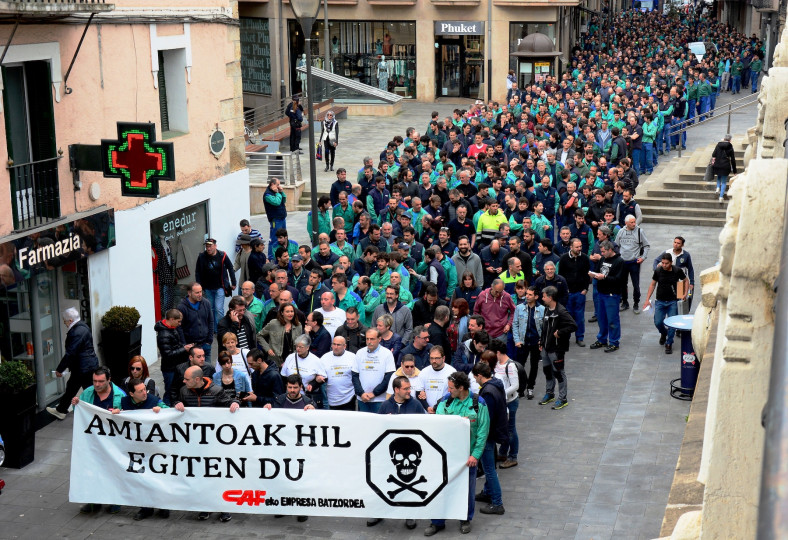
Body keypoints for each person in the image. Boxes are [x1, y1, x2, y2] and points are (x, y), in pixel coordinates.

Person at [424, 372, 489, 536]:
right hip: (444, 456)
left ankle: (465, 519)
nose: (448, 390)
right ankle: (437, 521)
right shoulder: (445, 401)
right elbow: (437, 424)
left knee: (466, 490)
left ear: (461, 388)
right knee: (439, 489)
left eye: (451, 388)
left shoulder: (478, 403)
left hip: (467, 458)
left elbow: (482, 431)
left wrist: (475, 455)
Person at [174, 365, 240, 522]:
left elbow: (230, 404)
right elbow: (177, 403)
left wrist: (235, 404)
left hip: (215, 444)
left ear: (197, 379)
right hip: (195, 443)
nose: (183, 381)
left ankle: (224, 507)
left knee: (218, 476)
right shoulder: (184, 391)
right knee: (201, 476)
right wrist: (177, 403)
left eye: (187, 379)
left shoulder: (216, 391)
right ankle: (205, 506)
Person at [370, 374, 424, 529]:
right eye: (406, 389)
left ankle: (409, 514)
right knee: (382, 483)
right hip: (390, 454)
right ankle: (379, 513)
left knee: (408, 481)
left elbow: (424, 427)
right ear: (396, 390)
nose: (409, 391)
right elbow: (377, 429)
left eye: (409, 388)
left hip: (410, 452)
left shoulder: (416, 405)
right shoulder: (385, 406)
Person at [111, 378, 169, 520]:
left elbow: (168, 412)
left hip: (154, 447)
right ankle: (146, 508)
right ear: (131, 394)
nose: (145, 393)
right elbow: (113, 412)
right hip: (135, 448)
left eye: (145, 389)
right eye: (141, 391)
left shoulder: (154, 400)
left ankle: (163, 505)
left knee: (158, 476)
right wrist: (116, 412)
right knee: (141, 477)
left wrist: (161, 410)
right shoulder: (124, 402)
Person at [73, 367, 126, 514]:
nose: (97, 384)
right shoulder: (88, 393)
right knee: (92, 470)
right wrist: (76, 403)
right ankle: (94, 500)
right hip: (93, 441)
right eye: (95, 381)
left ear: (109, 380)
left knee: (113, 470)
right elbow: (80, 414)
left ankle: (115, 501)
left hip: (113, 442)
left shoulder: (120, 395)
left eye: (101, 381)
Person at [47, 307, 100, 420]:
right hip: (87, 365)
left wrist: (60, 369)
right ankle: (61, 409)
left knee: (78, 389)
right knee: (77, 388)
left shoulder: (76, 332)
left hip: (82, 368)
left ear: (70, 320)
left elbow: (71, 353)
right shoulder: (83, 326)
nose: (64, 323)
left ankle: (61, 410)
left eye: (64, 321)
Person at [470, 361, 508, 516]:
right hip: (494, 432)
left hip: (488, 435)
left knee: (489, 469)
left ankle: (497, 502)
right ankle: (487, 492)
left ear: (480, 376)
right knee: (489, 466)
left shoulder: (487, 392)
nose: (474, 380)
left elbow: (486, 418)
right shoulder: (496, 386)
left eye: (475, 377)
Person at [538, 286, 577, 410]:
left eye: (544, 296)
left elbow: (573, 325)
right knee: (547, 371)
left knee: (559, 373)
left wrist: (560, 333)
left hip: (556, 349)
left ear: (550, 297)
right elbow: (545, 328)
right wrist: (541, 341)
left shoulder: (561, 311)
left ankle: (562, 398)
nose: (542, 298)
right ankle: (550, 393)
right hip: (545, 347)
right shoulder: (547, 309)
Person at [642, 253, 689, 354]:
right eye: (662, 263)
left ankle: (669, 343)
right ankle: (664, 333)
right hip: (660, 301)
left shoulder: (677, 270)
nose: (664, 265)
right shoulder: (658, 270)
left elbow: (685, 280)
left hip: (673, 301)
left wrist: (685, 293)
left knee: (672, 324)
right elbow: (652, 284)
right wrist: (647, 300)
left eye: (666, 263)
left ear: (671, 263)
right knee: (658, 322)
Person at [488, 340, 519, 468]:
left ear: (498, 353)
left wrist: (500, 394)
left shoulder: (510, 366)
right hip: (502, 402)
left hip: (510, 402)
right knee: (504, 428)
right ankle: (503, 453)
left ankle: (513, 456)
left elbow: (515, 385)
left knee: (511, 430)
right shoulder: (497, 364)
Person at [589, 241, 625, 353]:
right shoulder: (602, 259)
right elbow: (598, 271)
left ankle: (614, 342)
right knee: (601, 319)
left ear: (610, 250)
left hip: (612, 295)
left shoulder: (620, 262)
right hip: (601, 293)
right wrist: (594, 275)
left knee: (612, 320)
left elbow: (619, 280)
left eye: (604, 251)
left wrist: (604, 277)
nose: (602, 253)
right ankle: (602, 339)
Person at [195, 238, 236, 334]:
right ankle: (214, 328)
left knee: (218, 309)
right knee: (211, 308)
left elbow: (230, 268)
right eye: (207, 246)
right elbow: (198, 272)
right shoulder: (201, 256)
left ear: (215, 246)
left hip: (220, 287)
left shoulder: (222, 255)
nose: (208, 248)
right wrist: (199, 285)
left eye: (210, 246)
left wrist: (233, 282)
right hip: (208, 287)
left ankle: (221, 327)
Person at [351, 328, 396, 413]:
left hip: (379, 399)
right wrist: (361, 393)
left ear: (379, 339)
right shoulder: (360, 353)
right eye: (367, 339)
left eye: (372, 339)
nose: (369, 341)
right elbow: (355, 375)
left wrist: (374, 393)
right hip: (362, 399)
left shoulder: (387, 354)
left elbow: (389, 377)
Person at [512, 286, 544, 400]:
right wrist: (517, 340)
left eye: (530, 295)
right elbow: (515, 324)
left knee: (534, 366)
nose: (527, 296)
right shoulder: (520, 308)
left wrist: (541, 341)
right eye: (527, 294)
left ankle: (530, 387)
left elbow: (544, 328)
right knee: (520, 366)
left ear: (536, 296)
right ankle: (521, 388)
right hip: (523, 341)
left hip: (536, 342)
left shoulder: (542, 309)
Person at [558, 238, 591, 346]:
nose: (579, 249)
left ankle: (579, 337)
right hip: (568, 293)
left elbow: (587, 275)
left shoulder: (585, 258)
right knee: (567, 317)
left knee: (580, 317)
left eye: (580, 246)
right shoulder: (564, 258)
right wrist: (564, 290)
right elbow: (561, 275)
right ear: (571, 247)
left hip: (580, 293)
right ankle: (566, 337)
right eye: (577, 247)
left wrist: (585, 289)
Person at [154, 308, 191, 405]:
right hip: (169, 368)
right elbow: (167, 354)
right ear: (171, 319)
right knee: (170, 391)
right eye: (178, 321)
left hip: (175, 366)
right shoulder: (164, 334)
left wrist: (183, 347)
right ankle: (166, 409)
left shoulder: (171, 329)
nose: (180, 324)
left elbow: (175, 346)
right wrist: (184, 349)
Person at [615, 215, 650, 313]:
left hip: (634, 262)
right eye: (632, 222)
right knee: (623, 284)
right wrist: (617, 258)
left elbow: (647, 246)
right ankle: (625, 303)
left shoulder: (639, 231)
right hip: (623, 262)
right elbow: (616, 245)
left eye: (634, 222)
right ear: (626, 223)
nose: (634, 224)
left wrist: (643, 257)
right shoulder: (621, 232)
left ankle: (636, 304)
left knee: (636, 284)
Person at [281, 334, 327, 407]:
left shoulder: (316, 360)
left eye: (301, 347)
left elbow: (324, 377)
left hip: (305, 398)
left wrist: (313, 384)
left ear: (307, 347)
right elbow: (283, 376)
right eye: (296, 346)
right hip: (290, 396)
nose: (298, 349)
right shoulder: (290, 357)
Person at [176, 282, 214, 361]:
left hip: (205, 345)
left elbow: (210, 321)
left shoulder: (206, 303)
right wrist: (184, 344)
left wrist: (209, 340)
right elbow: (179, 327)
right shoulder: (182, 307)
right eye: (197, 292)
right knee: (192, 372)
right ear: (189, 293)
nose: (200, 294)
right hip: (191, 347)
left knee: (207, 371)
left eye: (201, 292)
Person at [320, 335, 357, 411]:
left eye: (338, 345)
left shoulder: (352, 357)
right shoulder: (324, 358)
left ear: (345, 346)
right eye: (334, 344)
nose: (336, 347)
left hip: (349, 398)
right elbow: (320, 375)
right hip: (330, 399)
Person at [472, 279, 516, 344]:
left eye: (501, 292)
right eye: (496, 292)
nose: (498, 294)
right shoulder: (482, 295)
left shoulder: (507, 297)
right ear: (491, 287)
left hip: (501, 333)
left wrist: (509, 324)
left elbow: (514, 311)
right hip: (485, 333)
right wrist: (479, 326)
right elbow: (476, 312)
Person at [417, 346, 457, 412]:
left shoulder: (452, 372)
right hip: (427, 412)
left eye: (437, 358)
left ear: (443, 358)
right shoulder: (424, 372)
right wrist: (427, 407)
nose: (434, 361)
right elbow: (418, 391)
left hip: (445, 411)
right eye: (431, 358)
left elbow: (454, 393)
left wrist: (438, 408)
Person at [263, 179, 288, 257]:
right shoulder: (267, 195)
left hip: (282, 217)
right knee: (274, 238)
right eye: (277, 185)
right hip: (275, 220)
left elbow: (283, 200)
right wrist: (277, 193)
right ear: (272, 184)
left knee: (284, 237)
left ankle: (283, 253)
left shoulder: (276, 192)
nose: (279, 186)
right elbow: (276, 202)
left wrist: (281, 192)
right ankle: (271, 256)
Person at [710, 134, 738, 202]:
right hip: (725, 166)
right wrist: (734, 171)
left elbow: (713, 154)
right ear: (730, 140)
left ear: (724, 139)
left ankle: (717, 188)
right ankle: (721, 197)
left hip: (718, 165)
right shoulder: (730, 146)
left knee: (719, 177)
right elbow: (733, 159)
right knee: (724, 182)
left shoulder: (718, 145)